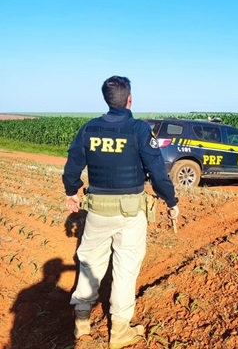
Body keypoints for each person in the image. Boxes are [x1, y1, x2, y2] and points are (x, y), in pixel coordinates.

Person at [62, 75, 179, 348]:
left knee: (90, 263)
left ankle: (81, 324)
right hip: (130, 214)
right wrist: (171, 201)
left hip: (97, 212)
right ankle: (120, 331)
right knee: (125, 270)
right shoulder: (139, 130)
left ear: (106, 99)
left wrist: (72, 191)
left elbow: (72, 166)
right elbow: (158, 173)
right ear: (129, 99)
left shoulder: (89, 129)